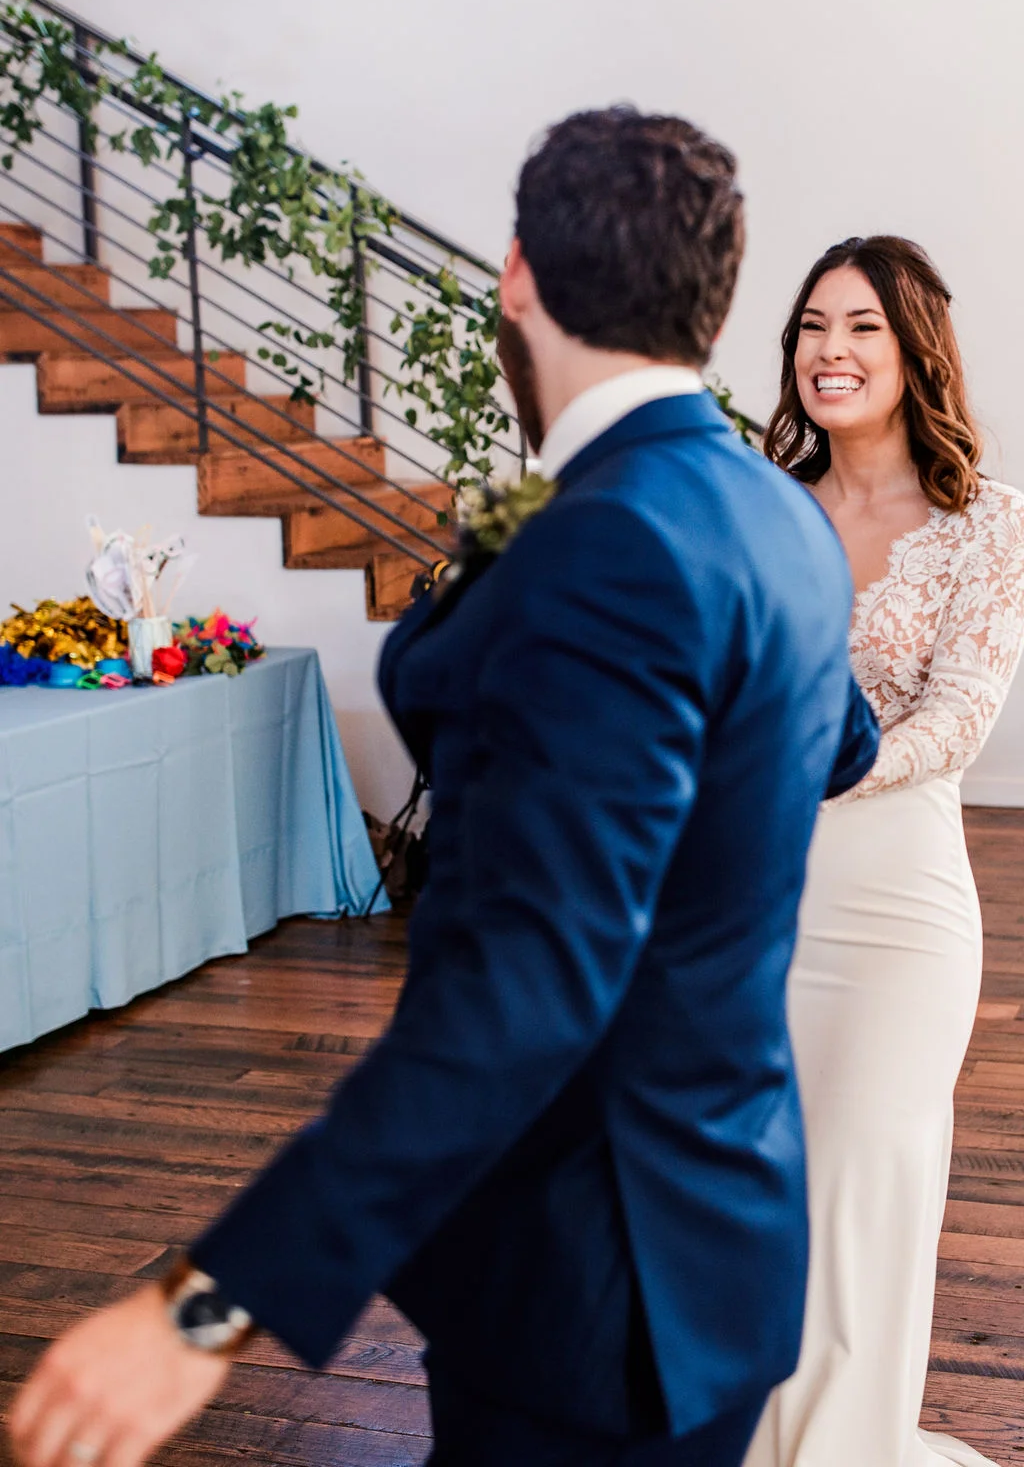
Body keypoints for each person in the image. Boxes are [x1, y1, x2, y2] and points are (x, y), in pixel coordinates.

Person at [8, 109, 879, 1467]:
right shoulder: (773, 515)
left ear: (516, 276)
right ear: (714, 300)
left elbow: (522, 995)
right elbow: (844, 745)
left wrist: (198, 1312)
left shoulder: (605, 548)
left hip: (587, 1293)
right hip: (726, 1249)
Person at [743, 235, 1024, 1467]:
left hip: (897, 908)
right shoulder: (756, 507)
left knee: (861, 1187)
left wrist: (839, 763)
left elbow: (962, 713)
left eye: (859, 327)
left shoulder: (987, 525)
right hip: (751, 897)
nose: (829, 352)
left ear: (913, 349)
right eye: (810, 327)